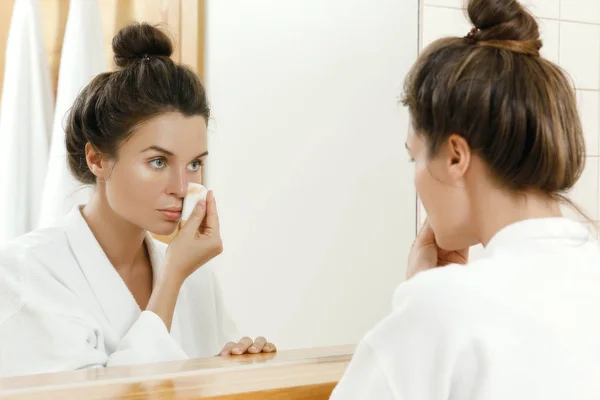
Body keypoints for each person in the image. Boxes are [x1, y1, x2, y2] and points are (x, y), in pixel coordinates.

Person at [330, 0, 600, 398]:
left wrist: (424, 300)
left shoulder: (443, 307)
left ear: (455, 156)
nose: (416, 177)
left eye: (414, 155)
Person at [0, 23, 275, 378]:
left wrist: (236, 367)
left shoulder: (196, 279)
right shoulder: (23, 273)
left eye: (194, 164)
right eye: (158, 162)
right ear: (98, 159)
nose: (182, 186)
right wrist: (172, 276)